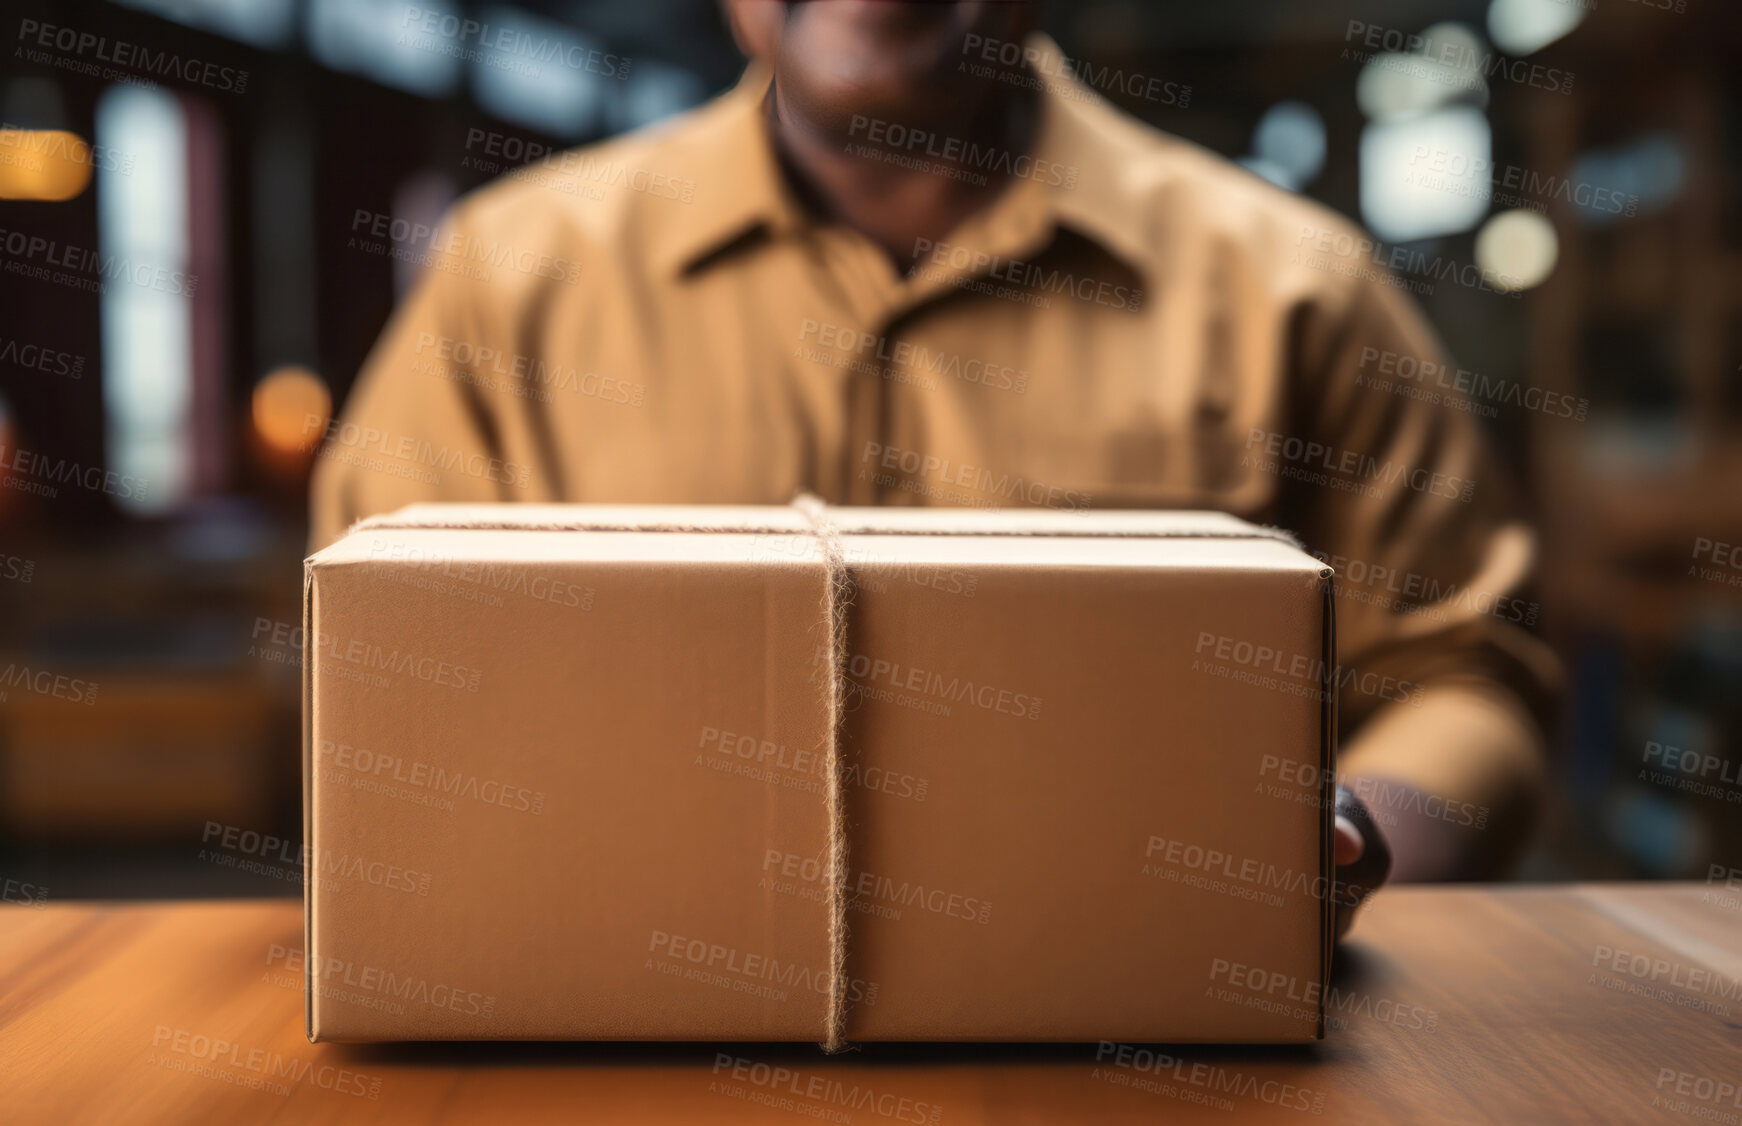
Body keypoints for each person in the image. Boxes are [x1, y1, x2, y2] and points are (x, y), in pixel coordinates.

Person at [311, 0, 1561, 932]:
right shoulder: (513, 278)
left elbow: (1461, 677)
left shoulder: (1294, 288)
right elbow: (379, 666)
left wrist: (1331, 858)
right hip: (619, 1031)